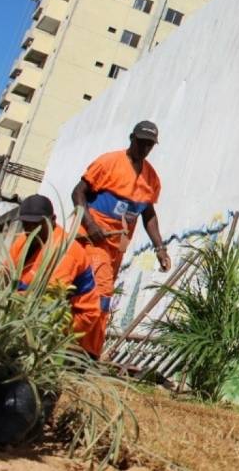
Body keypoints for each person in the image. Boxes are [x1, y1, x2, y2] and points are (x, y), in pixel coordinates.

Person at [71, 120, 170, 358]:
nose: (145, 148)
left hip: (117, 247)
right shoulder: (108, 162)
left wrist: (160, 248)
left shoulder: (151, 179)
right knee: (101, 293)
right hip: (94, 240)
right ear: (131, 138)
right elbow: (78, 193)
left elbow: (148, 214)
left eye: (150, 145)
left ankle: (85, 350)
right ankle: (80, 351)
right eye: (141, 142)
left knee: (88, 295)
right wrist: (90, 224)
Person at [5, 194, 102, 357]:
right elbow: (4, 274)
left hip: (71, 318)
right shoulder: (24, 240)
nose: (30, 229)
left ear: (52, 220)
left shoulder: (65, 251)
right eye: (25, 223)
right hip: (31, 308)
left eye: (36, 224)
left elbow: (50, 301)